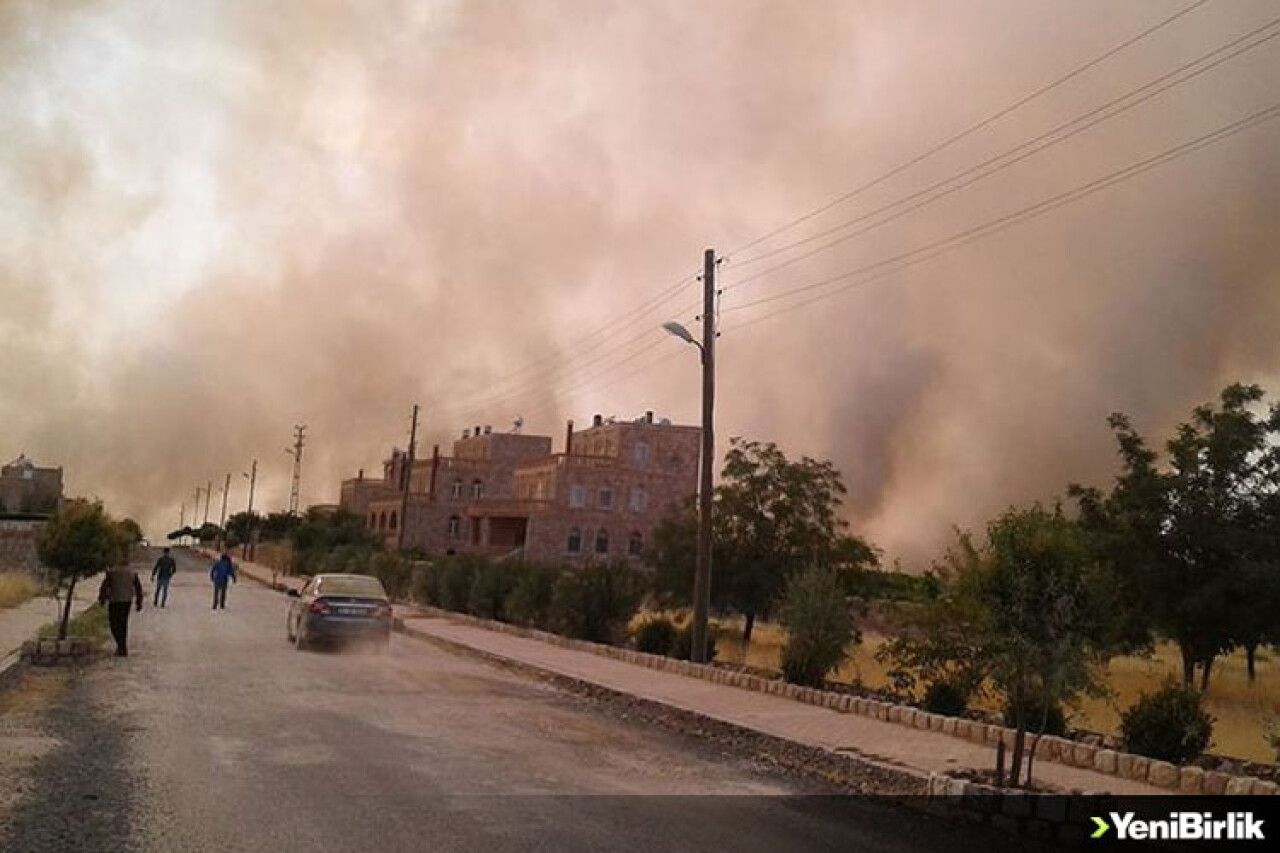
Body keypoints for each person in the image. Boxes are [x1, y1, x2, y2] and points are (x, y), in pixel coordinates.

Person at [99, 559, 144, 657]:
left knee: (114, 624)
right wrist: (139, 602)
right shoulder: (132, 573)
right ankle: (122, 647)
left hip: (115, 600)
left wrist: (102, 599)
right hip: (126, 601)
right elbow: (138, 588)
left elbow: (104, 586)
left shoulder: (112, 572)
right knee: (123, 624)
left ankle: (121, 646)